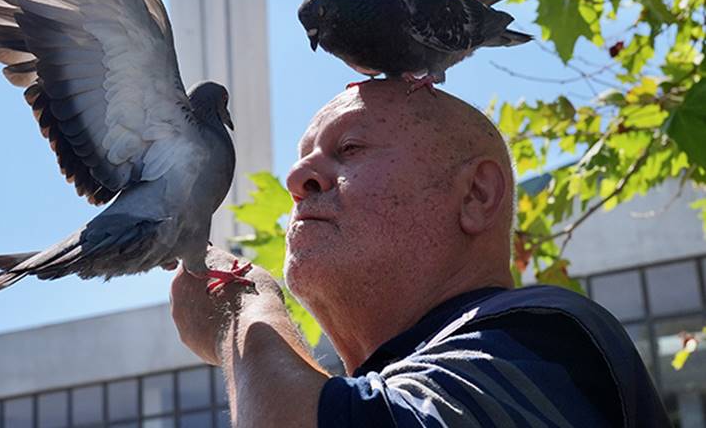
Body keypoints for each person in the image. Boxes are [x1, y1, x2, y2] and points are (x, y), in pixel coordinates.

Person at [170, 80, 669, 427]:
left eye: (350, 149)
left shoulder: (547, 335)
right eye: (302, 159)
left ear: (475, 196)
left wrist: (242, 312)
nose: (298, 179)